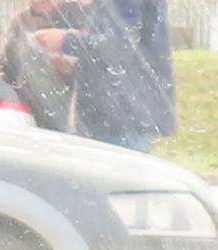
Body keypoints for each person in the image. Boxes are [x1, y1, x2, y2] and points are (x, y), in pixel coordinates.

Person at [59, 0, 176, 151]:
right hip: (123, 112)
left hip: (121, 115)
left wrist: (66, 40)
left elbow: (119, 45)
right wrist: (77, 63)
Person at [0, 0, 81, 130]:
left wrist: (71, 69)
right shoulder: (21, 20)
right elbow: (7, 66)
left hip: (66, 115)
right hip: (26, 112)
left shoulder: (76, 16)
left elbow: (96, 60)